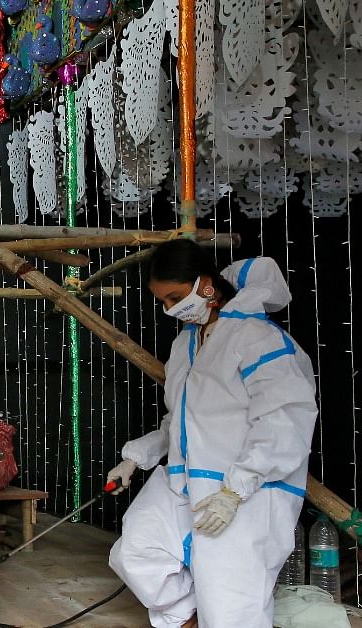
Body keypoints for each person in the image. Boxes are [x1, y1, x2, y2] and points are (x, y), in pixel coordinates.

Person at [106, 240, 317, 628]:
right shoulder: (187, 341)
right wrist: (136, 458)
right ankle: (189, 616)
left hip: (247, 492)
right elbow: (182, 419)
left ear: (206, 286)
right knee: (136, 553)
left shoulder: (257, 338)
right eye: (163, 301)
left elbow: (285, 420)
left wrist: (235, 491)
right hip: (186, 482)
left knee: (231, 604)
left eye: (173, 297)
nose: (170, 309)